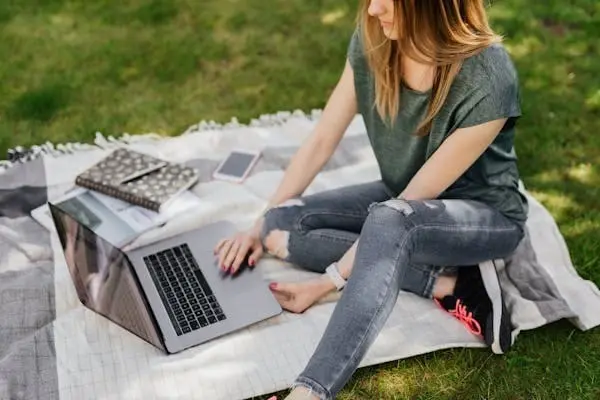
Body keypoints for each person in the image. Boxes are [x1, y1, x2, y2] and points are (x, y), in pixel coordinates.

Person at [215, 0, 528, 398]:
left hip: (484, 217)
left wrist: (327, 283)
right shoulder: (374, 38)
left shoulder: (489, 74)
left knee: (390, 221)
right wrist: (257, 224)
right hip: (400, 197)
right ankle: (448, 283)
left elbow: (410, 204)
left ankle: (311, 390)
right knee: (280, 224)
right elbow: (323, 139)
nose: (375, 8)